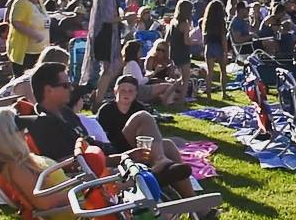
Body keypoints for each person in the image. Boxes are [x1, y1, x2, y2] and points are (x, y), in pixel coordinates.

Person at [24, 63, 194, 197]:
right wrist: (123, 157)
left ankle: (196, 205)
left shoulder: (65, 112)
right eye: (66, 85)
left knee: (167, 144)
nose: (72, 88)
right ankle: (157, 172)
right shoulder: (44, 124)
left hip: (107, 152)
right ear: (48, 90)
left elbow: (89, 142)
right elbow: (75, 164)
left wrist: (120, 153)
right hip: (101, 170)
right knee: (144, 119)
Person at [86, 0, 127, 109]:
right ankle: (98, 100)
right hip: (105, 34)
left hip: (107, 34)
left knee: (114, 66)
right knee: (108, 69)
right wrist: (125, 18)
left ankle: (98, 94)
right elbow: (108, 18)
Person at [6, 0, 50, 77]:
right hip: (26, 52)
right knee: (23, 79)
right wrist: (35, 35)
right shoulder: (21, 2)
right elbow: (16, 22)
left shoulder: (40, 2)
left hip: (40, 50)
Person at [121, 40, 176, 105]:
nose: (141, 52)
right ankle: (167, 103)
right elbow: (140, 82)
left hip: (137, 88)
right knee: (168, 86)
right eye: (139, 50)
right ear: (135, 52)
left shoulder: (129, 63)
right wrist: (155, 72)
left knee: (169, 84)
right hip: (139, 90)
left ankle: (164, 101)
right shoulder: (133, 64)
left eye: (163, 50)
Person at [167, 0, 198, 97]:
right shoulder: (185, 24)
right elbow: (186, 41)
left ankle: (168, 94)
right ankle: (181, 99)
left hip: (174, 51)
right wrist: (196, 42)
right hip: (183, 52)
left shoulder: (173, 22)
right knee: (185, 77)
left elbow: (167, 39)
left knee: (180, 77)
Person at [201, 0, 230, 97]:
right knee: (223, 71)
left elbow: (204, 38)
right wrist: (226, 52)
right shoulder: (221, 22)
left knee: (209, 72)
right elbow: (223, 38)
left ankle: (208, 94)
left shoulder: (206, 22)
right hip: (219, 46)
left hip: (209, 46)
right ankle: (224, 93)